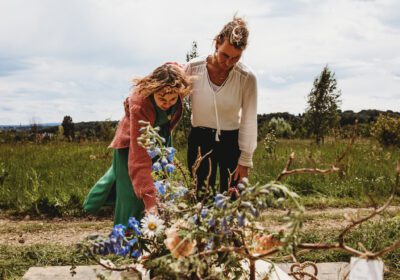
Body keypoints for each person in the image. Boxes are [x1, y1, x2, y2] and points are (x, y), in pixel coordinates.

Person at [83, 63, 193, 226]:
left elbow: (175, 66)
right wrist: (149, 202)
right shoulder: (140, 105)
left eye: (172, 99)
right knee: (132, 198)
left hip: (161, 138)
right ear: (153, 90)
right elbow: (140, 159)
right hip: (131, 145)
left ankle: (157, 234)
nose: (167, 103)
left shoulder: (175, 85)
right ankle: (125, 242)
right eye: (162, 99)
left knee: (161, 183)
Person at [185, 16, 258, 198]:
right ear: (217, 43)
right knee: (201, 198)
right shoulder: (193, 68)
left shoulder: (247, 77)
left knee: (232, 199)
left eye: (235, 58)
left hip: (231, 141)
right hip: (200, 139)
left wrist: (245, 160)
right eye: (225, 55)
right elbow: (170, 99)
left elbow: (249, 119)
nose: (228, 63)